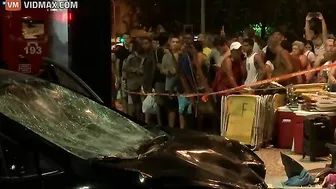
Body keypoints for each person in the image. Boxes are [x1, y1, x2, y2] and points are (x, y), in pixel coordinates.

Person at [160, 36, 181, 128]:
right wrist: (169, 71)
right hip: (169, 85)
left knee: (181, 110)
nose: (175, 44)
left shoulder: (182, 55)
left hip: (181, 85)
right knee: (171, 109)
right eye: (173, 42)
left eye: (177, 42)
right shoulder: (166, 56)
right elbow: (162, 69)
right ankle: (171, 128)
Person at [114, 33, 132, 113]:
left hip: (132, 75)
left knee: (131, 95)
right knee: (124, 95)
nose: (126, 40)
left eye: (127, 38)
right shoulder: (121, 50)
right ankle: (125, 111)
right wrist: (118, 76)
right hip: (123, 74)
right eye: (124, 38)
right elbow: (117, 62)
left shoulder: (133, 49)